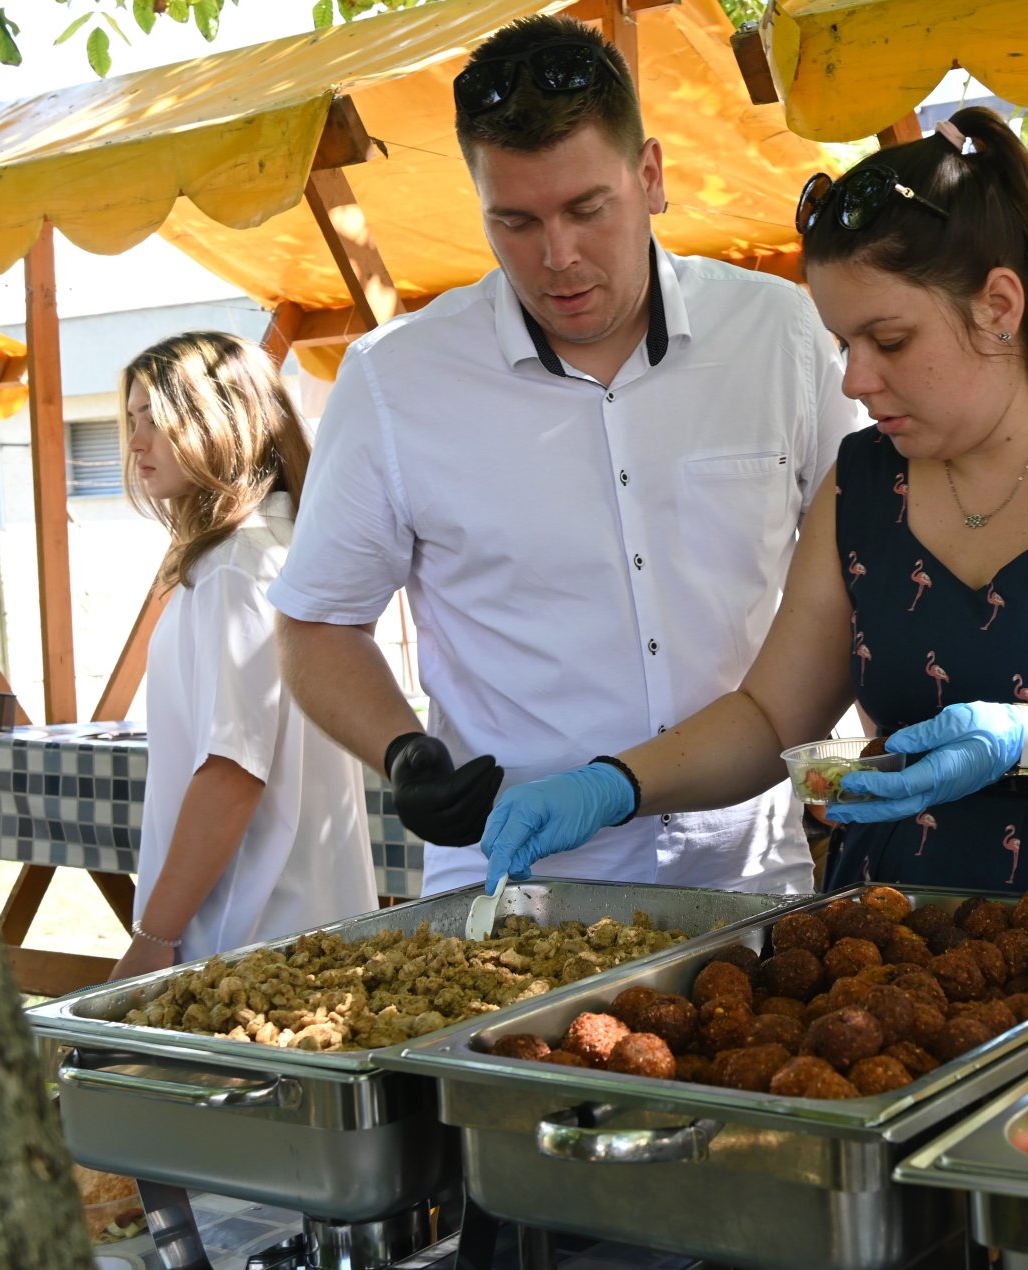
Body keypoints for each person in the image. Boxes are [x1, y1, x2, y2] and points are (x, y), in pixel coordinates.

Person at [473, 107, 1028, 909]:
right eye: (843, 344)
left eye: (889, 341)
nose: (854, 379)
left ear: (999, 306)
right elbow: (772, 716)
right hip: (905, 953)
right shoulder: (864, 483)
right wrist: (617, 783)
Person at [266, 16, 860, 896]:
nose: (558, 257)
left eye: (588, 209)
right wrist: (403, 752)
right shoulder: (397, 378)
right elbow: (316, 622)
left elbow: (867, 569)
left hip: (744, 874)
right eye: (515, 222)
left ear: (649, 176)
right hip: (511, 891)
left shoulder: (785, 335)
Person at [111, 332, 376, 981]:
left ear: (220, 423)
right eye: (132, 420)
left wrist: (152, 935)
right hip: (301, 928)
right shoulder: (285, 548)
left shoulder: (236, 565)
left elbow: (233, 771)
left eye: (158, 419)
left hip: (246, 938)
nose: (136, 441)